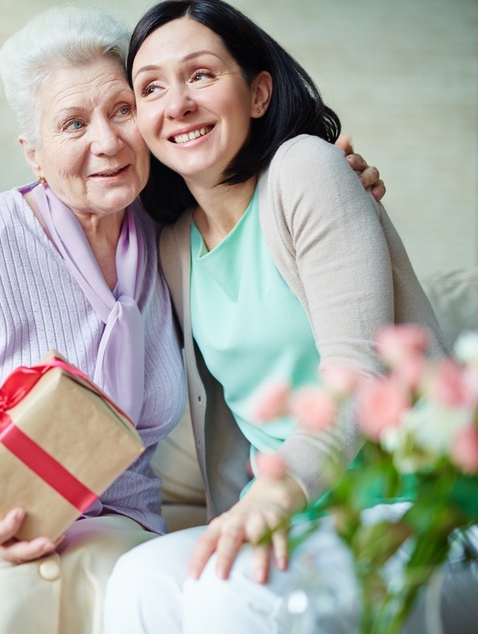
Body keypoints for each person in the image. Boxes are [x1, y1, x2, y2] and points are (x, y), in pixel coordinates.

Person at [0, 7, 382, 634]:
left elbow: (263, 214)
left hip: (111, 525)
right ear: (33, 154)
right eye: (73, 123)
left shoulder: (170, 236)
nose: (106, 142)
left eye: (120, 111)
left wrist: (338, 181)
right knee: (12, 600)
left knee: (143, 590)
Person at [103, 1, 475, 632]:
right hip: (291, 513)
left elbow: (359, 371)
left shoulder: (305, 168)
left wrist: (277, 493)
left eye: (201, 75)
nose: (178, 103)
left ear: (258, 93)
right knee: (138, 581)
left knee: (230, 594)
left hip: (411, 504)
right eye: (151, 88)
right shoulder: (170, 243)